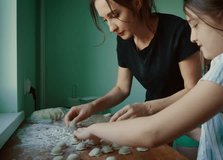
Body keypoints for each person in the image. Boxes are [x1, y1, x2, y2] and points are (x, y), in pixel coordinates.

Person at [73, 0, 223, 159]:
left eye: (195, 25)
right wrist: (184, 126)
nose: (192, 37)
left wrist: (94, 129)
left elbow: (152, 132)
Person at [64, 0, 202, 141]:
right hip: (153, 117)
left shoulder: (178, 30)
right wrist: (91, 107)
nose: (111, 28)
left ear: (137, 3)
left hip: (188, 117)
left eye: (114, 15)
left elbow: (192, 89)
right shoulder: (124, 38)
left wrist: (147, 108)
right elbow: (121, 88)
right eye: (105, 20)